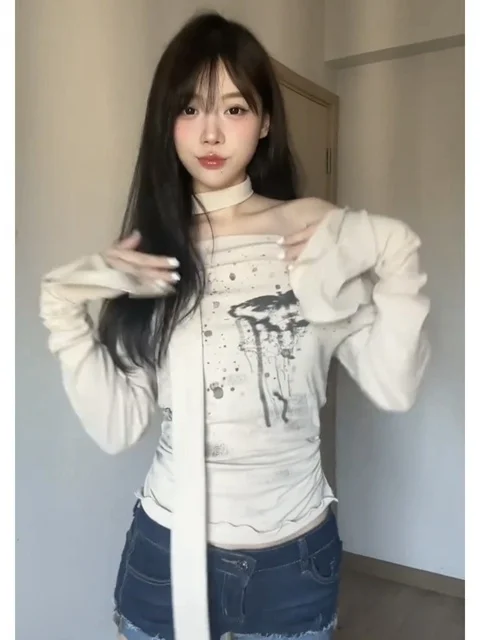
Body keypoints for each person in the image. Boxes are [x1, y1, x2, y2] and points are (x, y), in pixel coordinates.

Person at [39, 11, 430, 640]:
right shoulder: (154, 251)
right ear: (166, 122)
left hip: (292, 566)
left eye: (235, 108)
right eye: (190, 108)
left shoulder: (310, 228)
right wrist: (63, 308)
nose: (211, 132)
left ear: (265, 120)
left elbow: (394, 386)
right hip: (163, 557)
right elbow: (118, 426)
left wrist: (398, 259)